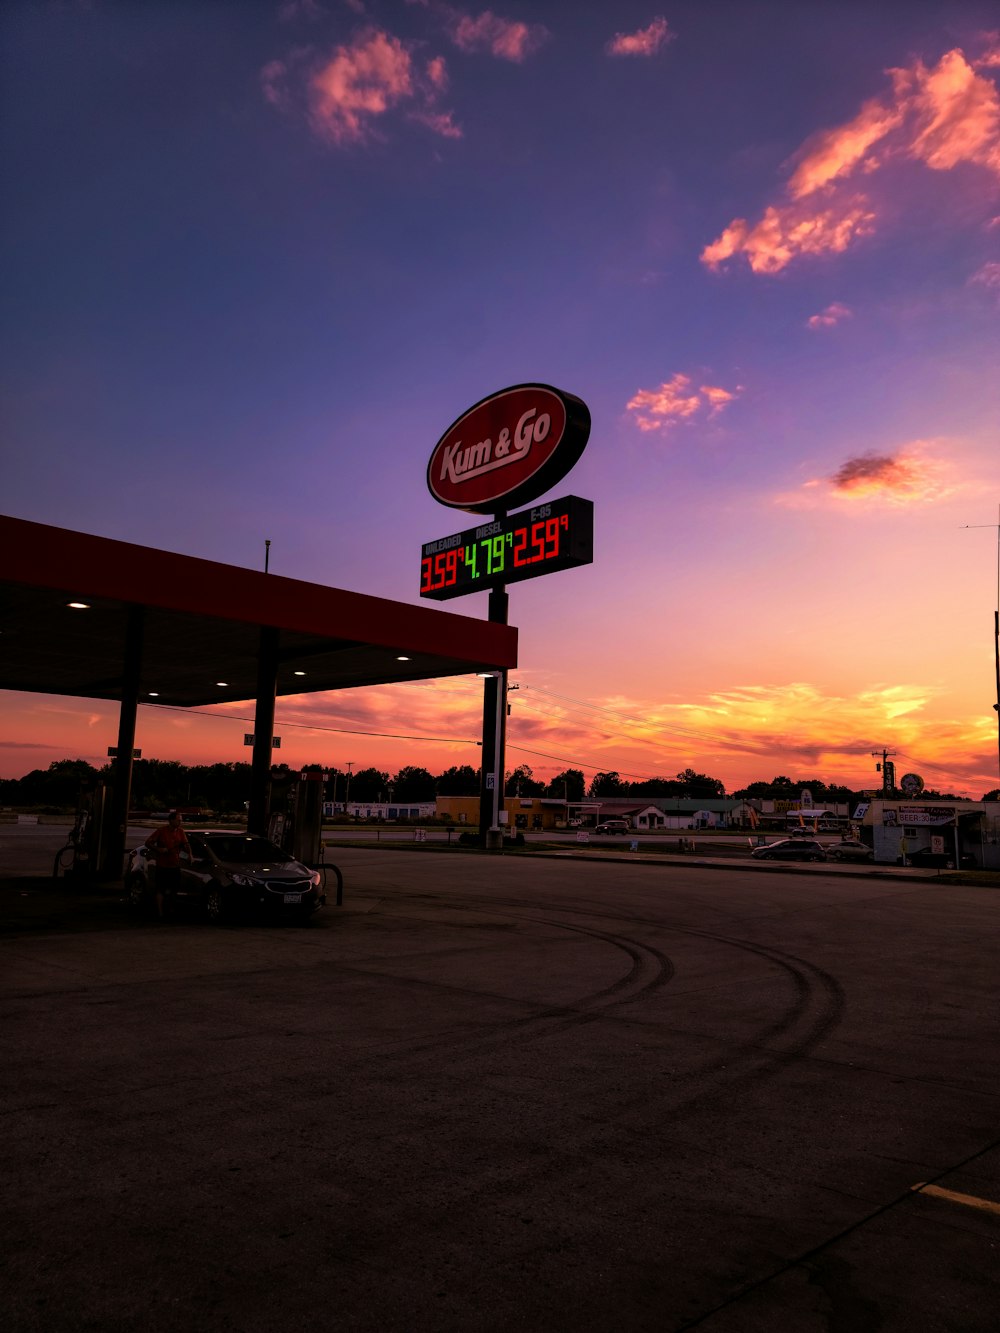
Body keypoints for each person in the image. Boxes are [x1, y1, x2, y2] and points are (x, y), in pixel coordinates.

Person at [144, 811, 192, 919]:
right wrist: (159, 849)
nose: (180, 822)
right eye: (178, 820)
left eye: (181, 820)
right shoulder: (161, 831)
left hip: (175, 865)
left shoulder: (180, 832)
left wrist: (190, 854)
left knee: (174, 888)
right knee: (160, 888)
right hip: (162, 865)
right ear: (171, 820)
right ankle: (160, 912)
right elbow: (148, 842)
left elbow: (186, 844)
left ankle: (170, 908)